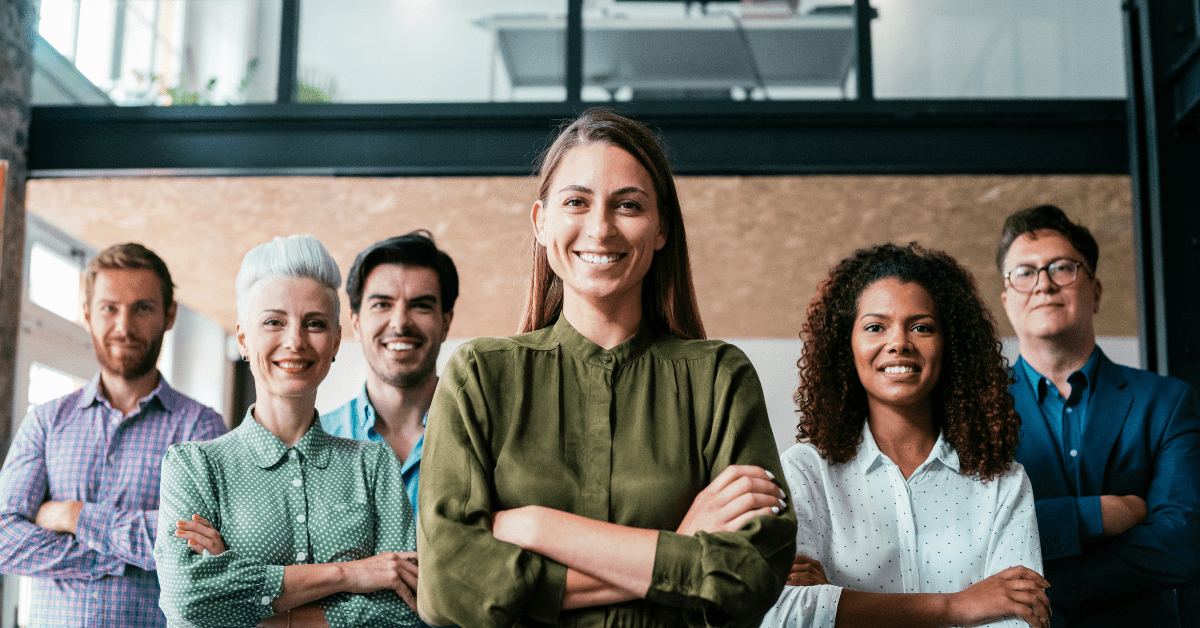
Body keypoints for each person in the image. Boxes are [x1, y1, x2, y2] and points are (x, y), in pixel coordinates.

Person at [417, 109, 797, 627]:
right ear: (541, 222)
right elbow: (448, 588)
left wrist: (538, 527)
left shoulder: (720, 378)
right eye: (576, 202)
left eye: (628, 205)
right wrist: (681, 545)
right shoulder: (479, 376)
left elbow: (751, 575)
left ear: (661, 228)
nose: (600, 228)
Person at [760, 243, 1049, 628]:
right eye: (875, 327)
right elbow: (782, 616)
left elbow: (1019, 622)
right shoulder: (805, 472)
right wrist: (958, 606)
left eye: (921, 327)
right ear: (846, 345)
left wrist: (835, 602)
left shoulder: (1003, 483)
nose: (899, 342)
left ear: (950, 345)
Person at [155, 235, 420, 628]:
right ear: (244, 339)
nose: (295, 341)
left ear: (335, 342)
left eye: (314, 324)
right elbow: (186, 597)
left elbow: (402, 611)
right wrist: (350, 574)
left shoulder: (373, 464)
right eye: (273, 322)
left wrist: (248, 608)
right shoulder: (195, 466)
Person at [0, 242, 226, 628]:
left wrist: (73, 515)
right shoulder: (45, 422)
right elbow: (5, 540)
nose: (124, 327)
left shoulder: (200, 428)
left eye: (143, 308)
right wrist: (125, 554)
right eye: (109, 308)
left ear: (169, 315)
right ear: (88, 314)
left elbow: (200, 548)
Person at [996, 205, 1200, 627]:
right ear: (1006, 300)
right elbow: (969, 533)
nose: (1044, 284)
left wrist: (1031, 584)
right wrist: (1098, 515)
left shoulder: (1167, 402)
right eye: (1025, 272)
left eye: (1062, 267)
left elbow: (1180, 547)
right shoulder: (974, 411)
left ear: (1097, 290)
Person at [321, 230, 457, 613]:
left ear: (446, 322)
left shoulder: (488, 438)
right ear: (355, 321)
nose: (400, 322)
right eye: (382, 304)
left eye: (421, 306)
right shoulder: (314, 439)